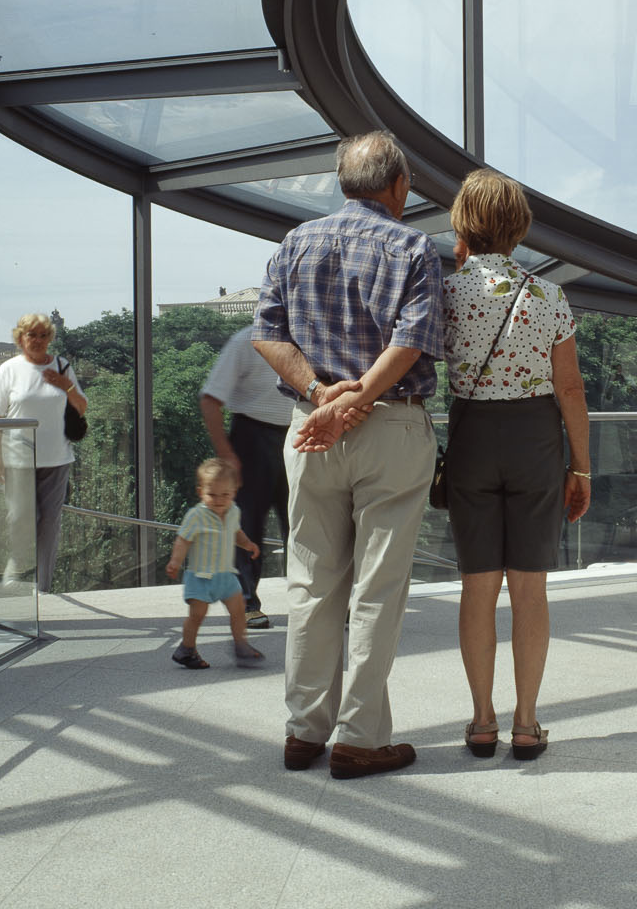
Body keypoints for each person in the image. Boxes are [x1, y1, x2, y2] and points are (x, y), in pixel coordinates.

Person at [251, 130, 445, 781]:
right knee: (378, 589)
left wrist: (320, 397)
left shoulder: (294, 243)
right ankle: (360, 739)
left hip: (310, 431)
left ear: (342, 184)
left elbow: (267, 336)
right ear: (398, 186)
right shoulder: (414, 246)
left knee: (310, 584)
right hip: (390, 429)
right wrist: (357, 399)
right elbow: (411, 342)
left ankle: (304, 732)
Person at [439, 169, 591, 761]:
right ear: (518, 227)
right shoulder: (546, 295)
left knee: (478, 586)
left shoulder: (445, 294)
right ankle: (527, 724)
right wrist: (580, 468)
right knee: (530, 590)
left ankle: (481, 721)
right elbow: (571, 389)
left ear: (462, 225)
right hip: (535, 438)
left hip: (472, 433)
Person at [0, 313, 88, 593]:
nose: (38, 340)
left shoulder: (62, 366)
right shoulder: (9, 369)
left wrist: (64, 386)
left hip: (57, 458)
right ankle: (16, 566)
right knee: (19, 516)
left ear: (50, 338)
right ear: (21, 338)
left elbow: (81, 407)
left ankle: (43, 585)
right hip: (18, 457)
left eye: (43, 335)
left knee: (50, 524)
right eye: (32, 335)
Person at [201, 319, 292, 631]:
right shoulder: (245, 341)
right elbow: (210, 400)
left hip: (300, 433)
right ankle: (247, 603)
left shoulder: (308, 338)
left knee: (307, 523)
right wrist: (227, 454)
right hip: (253, 437)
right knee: (248, 524)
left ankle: (320, 601)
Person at [165, 458, 266, 670]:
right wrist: (176, 561)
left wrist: (247, 544)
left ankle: (241, 646)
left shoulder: (233, 511)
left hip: (226, 576)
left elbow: (235, 532)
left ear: (234, 492)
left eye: (225, 495)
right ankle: (186, 648)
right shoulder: (196, 515)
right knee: (197, 615)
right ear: (200, 491)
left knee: (239, 610)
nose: (219, 500)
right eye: (212, 495)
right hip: (200, 577)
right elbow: (183, 539)